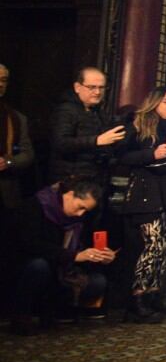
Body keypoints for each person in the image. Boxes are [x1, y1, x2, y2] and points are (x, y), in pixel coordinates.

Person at [118, 88, 166, 324]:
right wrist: (152, 154)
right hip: (147, 195)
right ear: (154, 103)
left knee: (162, 248)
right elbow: (121, 157)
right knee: (150, 247)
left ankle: (153, 294)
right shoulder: (139, 126)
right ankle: (137, 298)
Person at [8, 178, 114, 335]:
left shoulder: (78, 221)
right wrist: (73, 256)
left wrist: (100, 256)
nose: (80, 213)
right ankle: (22, 315)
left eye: (85, 211)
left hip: (62, 270)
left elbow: (81, 252)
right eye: (80, 207)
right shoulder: (36, 206)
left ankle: (58, 311)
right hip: (27, 265)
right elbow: (30, 244)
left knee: (98, 282)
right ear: (70, 194)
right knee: (39, 266)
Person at [48, 66, 126, 199]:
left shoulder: (98, 111)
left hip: (95, 179)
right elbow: (60, 143)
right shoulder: (66, 110)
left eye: (101, 88)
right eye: (92, 87)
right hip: (71, 182)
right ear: (77, 87)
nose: (97, 92)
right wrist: (96, 141)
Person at [0, 63, 34, 219]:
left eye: (4, 80)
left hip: (6, 192)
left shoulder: (15, 118)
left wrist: (8, 162)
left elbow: (27, 153)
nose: (0, 84)